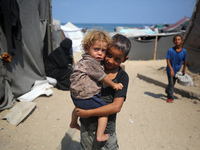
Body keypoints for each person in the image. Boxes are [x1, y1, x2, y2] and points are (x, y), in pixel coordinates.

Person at [75, 33, 131, 150]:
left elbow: (116, 107)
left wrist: (88, 113)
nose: (110, 61)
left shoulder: (122, 77)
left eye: (117, 59)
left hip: (107, 130)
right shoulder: (93, 66)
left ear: (124, 59)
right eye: (108, 54)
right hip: (87, 127)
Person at [165, 34, 187, 103]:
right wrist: (171, 69)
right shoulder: (170, 50)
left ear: (182, 41)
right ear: (174, 41)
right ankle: (170, 97)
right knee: (171, 83)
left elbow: (185, 61)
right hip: (170, 69)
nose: (177, 41)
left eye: (178, 39)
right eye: (175, 40)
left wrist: (184, 70)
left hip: (177, 71)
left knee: (172, 83)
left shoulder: (184, 51)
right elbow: (167, 61)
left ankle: (167, 90)